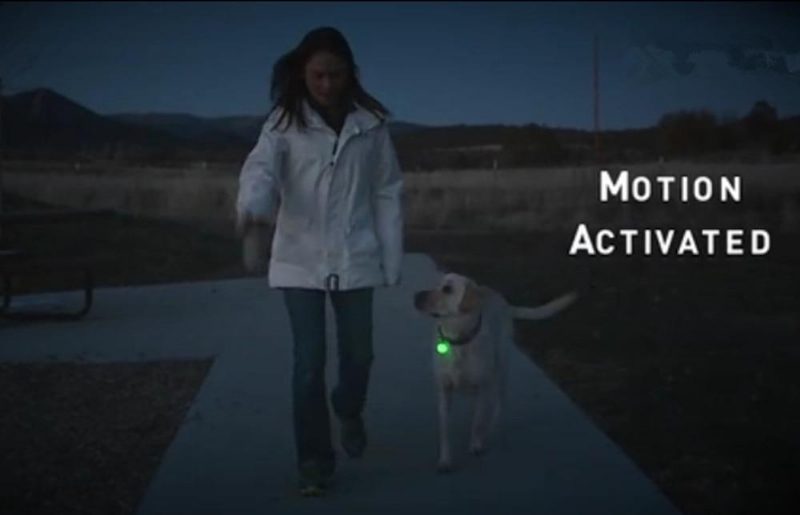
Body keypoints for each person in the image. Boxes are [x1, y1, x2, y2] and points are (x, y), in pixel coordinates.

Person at [235, 26, 404, 497]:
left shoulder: (371, 125)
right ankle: (314, 462)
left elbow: (387, 190)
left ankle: (348, 408)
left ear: (350, 73)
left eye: (335, 74)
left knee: (360, 356)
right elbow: (261, 171)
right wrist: (256, 209)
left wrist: (391, 257)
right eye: (317, 75)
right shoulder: (283, 123)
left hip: (355, 254)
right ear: (302, 74)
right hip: (299, 257)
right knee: (308, 362)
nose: (326, 84)